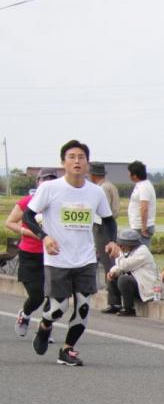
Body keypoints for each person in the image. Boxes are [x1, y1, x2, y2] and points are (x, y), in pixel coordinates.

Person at [22, 140, 118, 366]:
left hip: (85, 258)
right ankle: (45, 325)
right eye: (72, 157)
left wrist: (112, 241)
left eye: (81, 157)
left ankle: (67, 349)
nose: (77, 161)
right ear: (63, 162)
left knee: (83, 307)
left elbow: (108, 220)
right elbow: (28, 216)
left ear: (87, 163)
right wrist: (44, 236)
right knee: (58, 308)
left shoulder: (95, 192)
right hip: (57, 258)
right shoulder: (50, 189)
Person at [6, 170, 57, 337]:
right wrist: (27, 232)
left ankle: (45, 328)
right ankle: (25, 315)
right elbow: (10, 222)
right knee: (36, 296)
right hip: (30, 253)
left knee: (53, 295)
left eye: (52, 180)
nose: (47, 183)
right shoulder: (28, 201)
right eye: (44, 180)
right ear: (38, 183)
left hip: (53, 254)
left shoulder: (59, 203)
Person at [105, 228, 158, 315]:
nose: (120, 247)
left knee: (124, 279)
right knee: (112, 276)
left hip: (145, 287)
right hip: (137, 283)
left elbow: (125, 266)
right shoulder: (128, 251)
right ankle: (115, 305)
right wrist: (112, 272)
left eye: (122, 245)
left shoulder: (142, 252)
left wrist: (118, 254)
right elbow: (120, 266)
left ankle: (129, 308)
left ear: (129, 244)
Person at [90, 162, 119, 288]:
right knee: (105, 258)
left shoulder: (102, 188)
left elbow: (103, 211)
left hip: (102, 226)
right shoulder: (110, 185)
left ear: (93, 175)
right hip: (108, 224)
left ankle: (111, 290)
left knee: (107, 259)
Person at [127, 160, 157, 246]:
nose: (128, 175)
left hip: (141, 228)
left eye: (130, 173)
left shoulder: (144, 187)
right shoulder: (140, 185)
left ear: (135, 175)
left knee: (142, 255)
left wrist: (144, 227)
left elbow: (144, 208)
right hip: (138, 226)